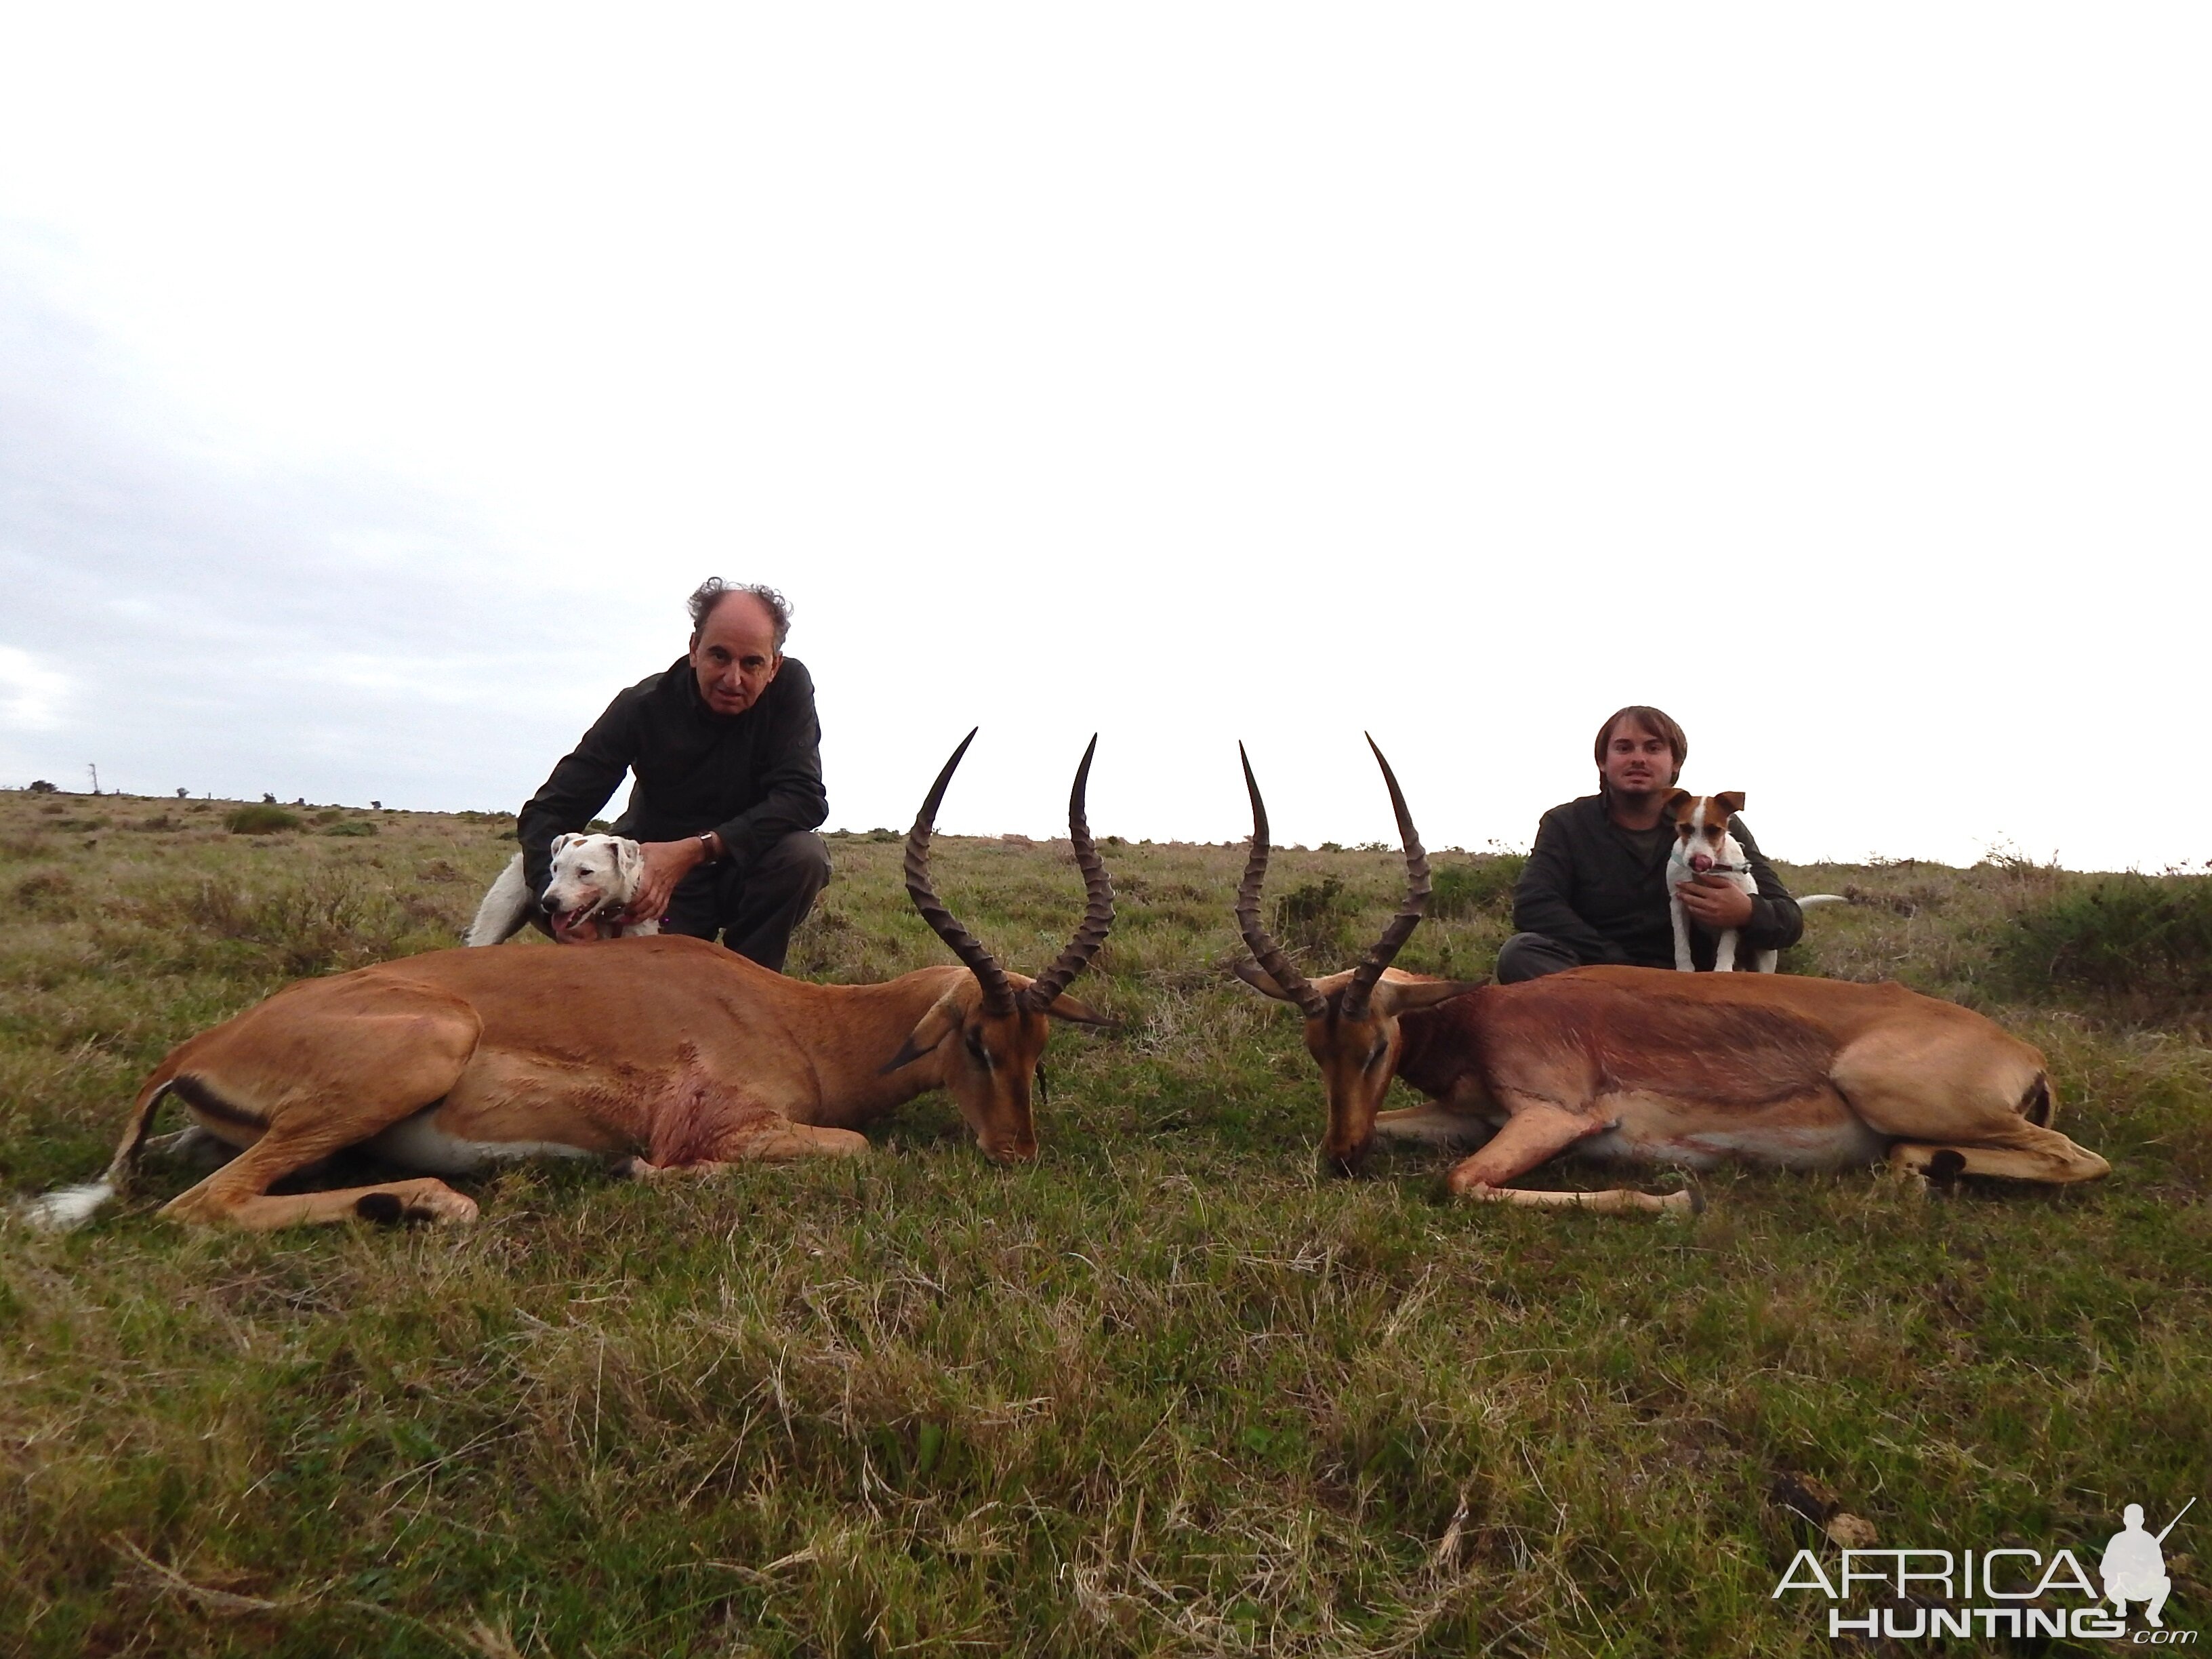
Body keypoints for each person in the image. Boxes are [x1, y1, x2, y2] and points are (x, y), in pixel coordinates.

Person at [516, 579, 830, 971]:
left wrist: (695, 849)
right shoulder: (643, 706)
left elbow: (804, 796)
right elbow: (548, 813)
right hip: (654, 889)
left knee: (803, 856)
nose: (734, 679)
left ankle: (754, 986)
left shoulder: (790, 689)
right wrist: (561, 915)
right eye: (720, 656)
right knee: (658, 986)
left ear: (774, 666)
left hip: (745, 869)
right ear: (694, 648)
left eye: (752, 663)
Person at [1498, 705, 1805, 983]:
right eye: (1623, 748)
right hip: (1603, 977)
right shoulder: (1566, 824)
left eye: (1653, 748)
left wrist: (1747, 911)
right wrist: (1617, 963)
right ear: (1603, 762)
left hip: (1698, 981)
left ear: (1676, 763)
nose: (1638, 758)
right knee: (1522, 954)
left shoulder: (1719, 826)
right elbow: (1534, 906)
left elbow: (1788, 919)